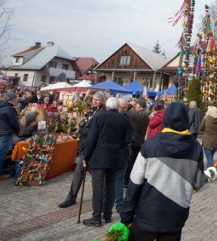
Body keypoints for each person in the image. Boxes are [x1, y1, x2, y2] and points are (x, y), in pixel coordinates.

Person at [118, 102, 205, 241]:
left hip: (148, 212)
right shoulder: (196, 148)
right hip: (176, 214)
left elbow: (134, 183)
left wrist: (126, 216)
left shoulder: (150, 145)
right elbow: (198, 182)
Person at [82, 97, 133, 227]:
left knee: (98, 187)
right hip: (115, 157)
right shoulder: (125, 120)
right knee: (111, 186)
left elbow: (91, 140)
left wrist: (85, 157)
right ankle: (108, 214)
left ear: (107, 106)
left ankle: (96, 217)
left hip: (99, 157)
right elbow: (128, 140)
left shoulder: (99, 119)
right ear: (116, 107)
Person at [58, 93, 106, 208]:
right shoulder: (93, 111)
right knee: (81, 172)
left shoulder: (101, 113)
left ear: (102, 101)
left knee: (89, 174)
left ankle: (102, 198)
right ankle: (72, 196)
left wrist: (81, 130)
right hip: (86, 146)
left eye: (97, 100)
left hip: (92, 148)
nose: (94, 101)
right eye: (93, 99)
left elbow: (93, 132)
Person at [125, 98, 149, 190]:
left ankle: (127, 181)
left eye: (137, 104)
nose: (136, 105)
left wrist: (130, 104)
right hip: (140, 140)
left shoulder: (137, 114)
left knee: (130, 162)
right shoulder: (146, 115)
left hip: (134, 141)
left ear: (140, 105)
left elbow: (126, 112)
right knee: (135, 161)